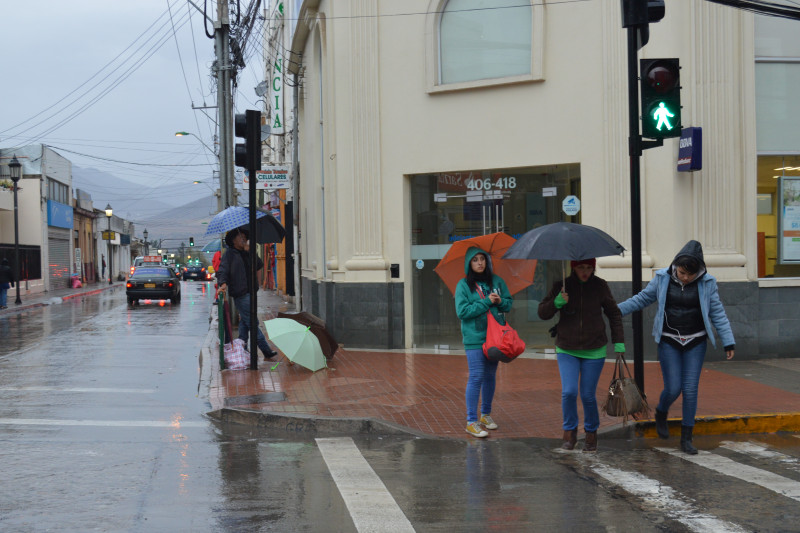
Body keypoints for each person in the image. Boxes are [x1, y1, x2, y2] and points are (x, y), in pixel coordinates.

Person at [617, 240, 734, 455]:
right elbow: (642, 299)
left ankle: (686, 438)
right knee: (673, 388)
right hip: (669, 340)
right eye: (682, 272)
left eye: (690, 274)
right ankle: (662, 411)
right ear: (676, 266)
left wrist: (728, 341)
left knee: (690, 389)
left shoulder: (707, 282)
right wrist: (616, 311)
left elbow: (717, 312)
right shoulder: (662, 278)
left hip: (695, 341)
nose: (685, 277)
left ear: (699, 270)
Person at [538, 258, 625, 452]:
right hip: (567, 348)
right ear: (573, 268)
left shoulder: (600, 286)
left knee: (587, 395)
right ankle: (569, 433)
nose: (585, 272)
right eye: (580, 268)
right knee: (569, 392)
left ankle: (591, 433)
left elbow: (614, 313)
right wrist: (557, 302)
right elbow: (542, 312)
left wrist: (619, 341)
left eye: (588, 268)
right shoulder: (561, 286)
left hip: (594, 349)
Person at [455, 247, 513, 438]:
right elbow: (462, 312)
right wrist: (487, 302)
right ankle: (471, 421)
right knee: (476, 376)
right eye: (475, 260)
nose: (480, 263)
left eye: (483, 259)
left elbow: (509, 303)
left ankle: (485, 415)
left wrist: (499, 302)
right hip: (474, 338)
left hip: (495, 338)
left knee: (490, 376)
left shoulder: (497, 281)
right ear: (469, 264)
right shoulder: (463, 285)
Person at [216, 228, 278, 360]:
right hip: (241, 293)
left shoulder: (247, 252)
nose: (243, 239)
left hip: (252, 292)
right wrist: (223, 283)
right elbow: (222, 270)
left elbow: (259, 264)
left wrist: (250, 251)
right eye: (240, 237)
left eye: (244, 237)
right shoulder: (230, 254)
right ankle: (266, 350)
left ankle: (242, 347)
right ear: (233, 241)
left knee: (245, 322)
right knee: (252, 322)